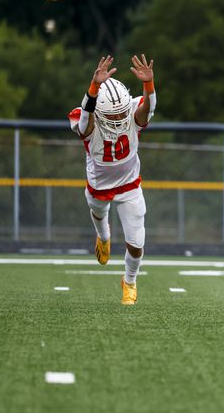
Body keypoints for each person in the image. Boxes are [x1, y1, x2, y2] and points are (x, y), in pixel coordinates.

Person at [68, 55, 157, 305]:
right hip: (99, 186)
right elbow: (85, 119)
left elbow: (147, 109)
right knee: (101, 221)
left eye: (121, 114)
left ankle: (129, 282)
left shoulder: (132, 114)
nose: (119, 119)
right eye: (113, 115)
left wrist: (149, 84)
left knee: (137, 244)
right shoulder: (88, 121)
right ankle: (103, 238)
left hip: (130, 185)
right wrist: (93, 88)